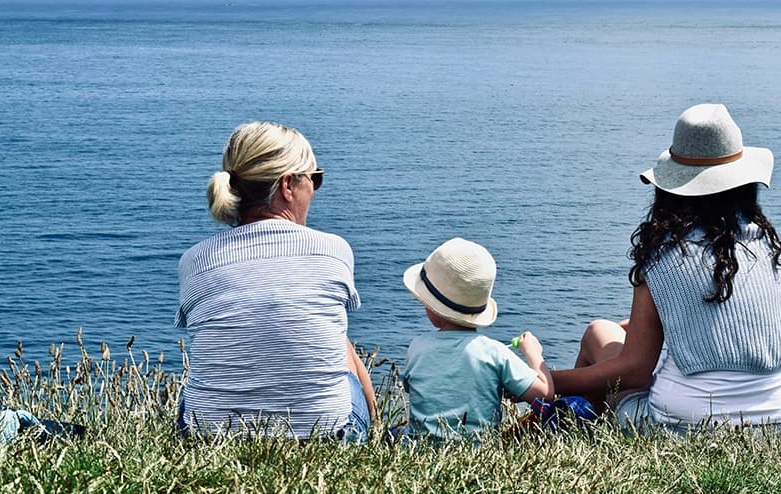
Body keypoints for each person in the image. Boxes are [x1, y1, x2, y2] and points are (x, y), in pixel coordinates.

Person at [551, 104, 781, 433]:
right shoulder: (767, 246)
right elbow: (718, 316)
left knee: (598, 332)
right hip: (775, 425)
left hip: (679, 427)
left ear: (672, 188)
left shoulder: (665, 253)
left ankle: (581, 428)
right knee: (611, 330)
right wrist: (641, 325)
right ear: (744, 183)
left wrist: (546, 380)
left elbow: (636, 370)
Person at [175, 121, 376, 440]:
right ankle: (370, 431)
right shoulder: (332, 250)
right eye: (315, 178)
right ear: (287, 185)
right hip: (325, 435)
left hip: (206, 436)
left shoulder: (195, 260)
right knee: (338, 340)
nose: (314, 189)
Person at [400, 238, 554, 442]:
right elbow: (545, 395)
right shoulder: (495, 352)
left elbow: (416, 390)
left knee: (395, 432)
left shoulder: (416, 348)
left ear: (433, 308)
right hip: (480, 452)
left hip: (418, 452)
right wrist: (533, 353)